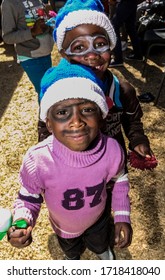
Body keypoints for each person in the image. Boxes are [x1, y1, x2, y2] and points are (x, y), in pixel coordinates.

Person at [7, 59, 132, 260]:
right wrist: (22, 221)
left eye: (88, 110)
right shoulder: (38, 160)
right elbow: (29, 196)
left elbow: (120, 179)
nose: (76, 121)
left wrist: (122, 214)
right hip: (63, 226)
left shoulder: (112, 150)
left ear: (101, 115)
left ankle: (102, 252)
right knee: (71, 251)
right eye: (62, 112)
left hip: (99, 219)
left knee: (100, 242)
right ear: (48, 124)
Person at [53, 0, 154, 166]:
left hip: (114, 165)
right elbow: (46, 131)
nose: (92, 55)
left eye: (100, 44)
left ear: (111, 46)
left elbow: (132, 121)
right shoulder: (57, 95)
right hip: (76, 172)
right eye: (79, 47)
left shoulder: (122, 90)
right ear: (64, 54)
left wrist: (138, 140)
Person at [1, 0, 54, 140]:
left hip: (45, 52)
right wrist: (32, 32)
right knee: (45, 92)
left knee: (49, 90)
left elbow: (44, 23)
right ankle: (45, 131)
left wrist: (50, 21)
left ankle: (51, 127)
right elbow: (7, 37)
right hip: (30, 57)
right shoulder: (9, 3)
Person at [109, 0, 143, 67]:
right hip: (132, 2)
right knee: (130, 27)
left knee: (114, 27)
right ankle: (138, 54)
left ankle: (118, 59)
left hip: (126, 2)